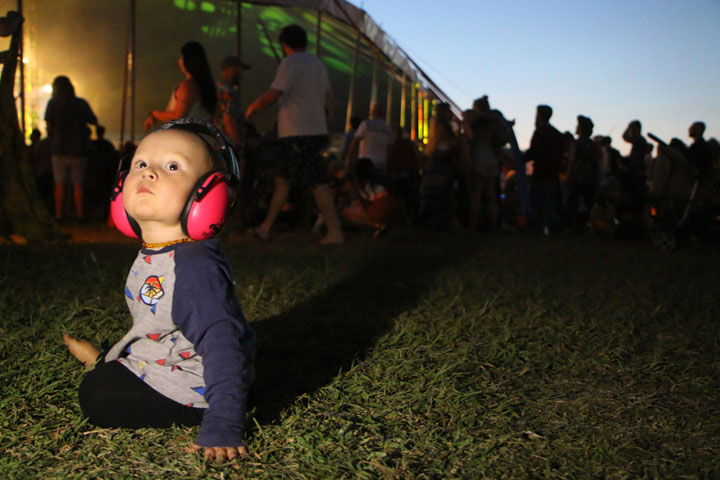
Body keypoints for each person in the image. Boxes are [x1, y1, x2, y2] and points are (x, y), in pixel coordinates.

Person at [62, 120, 256, 463]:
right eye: (140, 164)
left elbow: (224, 345)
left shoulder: (195, 268)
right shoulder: (159, 250)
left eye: (171, 166)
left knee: (96, 395)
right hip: (165, 359)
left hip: (195, 390)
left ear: (208, 194)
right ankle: (111, 362)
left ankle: (107, 369)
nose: (148, 173)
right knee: (107, 379)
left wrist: (223, 423)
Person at [245, 24, 343, 244]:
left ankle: (335, 232)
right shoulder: (317, 64)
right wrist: (323, 124)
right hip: (312, 131)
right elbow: (329, 99)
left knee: (316, 181)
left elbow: (274, 93)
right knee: (284, 179)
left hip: (299, 132)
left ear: (284, 44)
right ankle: (265, 228)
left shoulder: (291, 63)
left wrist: (253, 108)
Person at [44, 75, 98, 222]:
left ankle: (59, 215)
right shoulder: (81, 104)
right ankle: (80, 215)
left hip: (59, 149)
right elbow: (94, 120)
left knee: (59, 184)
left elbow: (49, 126)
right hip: (78, 149)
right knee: (78, 185)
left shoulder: (52, 104)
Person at [144, 41, 217, 130]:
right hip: (201, 138)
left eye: (181, 58)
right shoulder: (205, 86)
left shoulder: (188, 86)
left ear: (188, 61)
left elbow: (178, 116)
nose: (179, 61)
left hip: (186, 139)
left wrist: (155, 114)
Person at [524, 104, 565, 235]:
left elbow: (534, 152)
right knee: (550, 201)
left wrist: (520, 159)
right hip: (553, 173)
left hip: (542, 172)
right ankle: (553, 225)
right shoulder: (556, 134)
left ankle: (540, 226)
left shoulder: (540, 132)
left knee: (539, 200)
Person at [341, 158, 403, 238]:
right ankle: (381, 225)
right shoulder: (382, 180)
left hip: (382, 211)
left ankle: (378, 225)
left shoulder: (367, 183)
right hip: (396, 211)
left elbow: (368, 201)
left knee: (346, 213)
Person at [565, 115, 599, 232]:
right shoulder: (594, 145)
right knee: (587, 203)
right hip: (591, 179)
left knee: (573, 202)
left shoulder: (578, 143)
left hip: (579, 178)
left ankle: (575, 226)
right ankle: (583, 225)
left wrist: (568, 178)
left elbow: (573, 161)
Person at [345, 103, 393, 173]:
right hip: (381, 163)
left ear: (372, 112)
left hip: (365, 162)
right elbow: (390, 148)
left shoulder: (366, 124)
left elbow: (355, 142)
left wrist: (349, 158)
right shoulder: (388, 128)